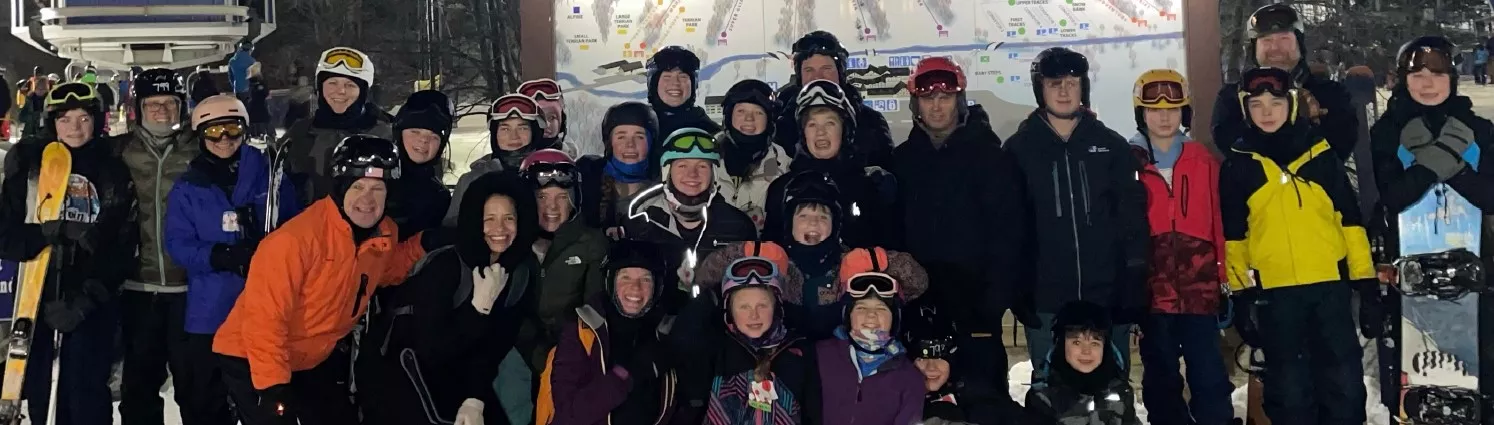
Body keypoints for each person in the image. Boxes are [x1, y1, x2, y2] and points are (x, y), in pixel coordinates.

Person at [213, 135, 427, 425]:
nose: (368, 199)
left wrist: (424, 244)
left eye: (378, 188)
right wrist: (273, 387)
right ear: (339, 189)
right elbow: (265, 321)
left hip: (310, 356)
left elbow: (384, 271)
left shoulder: (383, 232)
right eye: (358, 187)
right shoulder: (295, 241)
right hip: (253, 355)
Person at [1221, 67, 1373, 425]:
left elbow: (1350, 223)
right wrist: (1242, 295)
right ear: (1245, 110)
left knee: (1344, 388)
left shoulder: (1320, 155)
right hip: (1276, 296)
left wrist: (1365, 284)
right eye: (1256, 105)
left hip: (1328, 290)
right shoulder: (1238, 165)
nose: (1267, 111)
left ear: (1290, 104)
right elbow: (1235, 238)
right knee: (1289, 392)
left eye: (1275, 102)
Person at [892, 56, 1028, 420]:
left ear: (960, 100)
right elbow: (894, 237)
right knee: (923, 402)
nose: (937, 106)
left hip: (976, 308)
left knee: (984, 400)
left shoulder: (990, 157)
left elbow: (1009, 234)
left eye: (946, 97)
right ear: (916, 104)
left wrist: (994, 301)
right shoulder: (902, 161)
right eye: (928, 98)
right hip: (919, 307)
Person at [1004, 47, 1149, 384]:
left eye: (1072, 82)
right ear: (1040, 89)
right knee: (1051, 390)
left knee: (1110, 390)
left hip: (1107, 296)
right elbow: (1010, 226)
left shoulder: (1111, 146)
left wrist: (1133, 280)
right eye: (1054, 83)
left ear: (1084, 87)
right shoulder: (1019, 149)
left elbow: (1131, 219)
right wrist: (1018, 287)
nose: (1064, 91)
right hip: (1046, 298)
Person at [0, 81, 136, 424]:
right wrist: (46, 232)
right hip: (37, 299)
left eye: (84, 118)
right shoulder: (30, 167)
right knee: (44, 393)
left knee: (86, 392)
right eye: (65, 119)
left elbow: (124, 245)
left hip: (91, 300)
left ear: (98, 120)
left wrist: (88, 298)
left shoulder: (112, 168)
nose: (75, 128)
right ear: (51, 122)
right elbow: (5, 236)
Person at [357, 171, 539, 425]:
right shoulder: (447, 266)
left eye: (509, 218)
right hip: (403, 377)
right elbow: (431, 349)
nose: (499, 229)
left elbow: (494, 345)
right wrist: (478, 308)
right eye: (489, 218)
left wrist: (475, 397)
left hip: (459, 375)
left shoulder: (519, 273)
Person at [163, 94, 301, 425]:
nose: (224, 139)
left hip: (263, 307)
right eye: (214, 132)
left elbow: (297, 227)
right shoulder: (188, 186)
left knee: (263, 402)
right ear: (200, 135)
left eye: (232, 129)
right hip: (212, 308)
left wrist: (269, 249)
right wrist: (220, 255)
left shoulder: (268, 173)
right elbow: (177, 243)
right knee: (207, 402)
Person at [1125, 69, 1234, 425]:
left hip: (1199, 290)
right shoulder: (1128, 164)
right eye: (1153, 109)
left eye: (1172, 109)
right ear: (1141, 114)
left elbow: (1218, 222)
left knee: (1210, 376)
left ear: (1184, 113)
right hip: (1153, 294)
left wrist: (1223, 278)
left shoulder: (1203, 161)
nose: (1163, 116)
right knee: (1160, 378)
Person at [113, 67, 213, 425]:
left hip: (190, 287)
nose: (162, 111)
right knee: (139, 387)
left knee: (198, 387)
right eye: (152, 104)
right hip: (138, 288)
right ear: (138, 108)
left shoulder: (202, 149)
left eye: (169, 103)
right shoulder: (119, 151)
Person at [670, 242, 821, 424]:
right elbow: (683, 336)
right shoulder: (716, 348)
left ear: (778, 308)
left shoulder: (800, 352)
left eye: (762, 305)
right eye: (743, 307)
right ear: (729, 311)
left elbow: (813, 414)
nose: (753, 315)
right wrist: (710, 295)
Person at [544, 239, 679, 425]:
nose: (636, 287)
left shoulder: (667, 330)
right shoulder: (583, 330)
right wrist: (629, 372)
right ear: (610, 281)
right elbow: (569, 414)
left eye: (645, 279)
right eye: (625, 277)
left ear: (657, 286)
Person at [1211, 4, 1356, 161]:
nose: (1275, 47)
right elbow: (1234, 152)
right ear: (1254, 50)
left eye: (1284, 39)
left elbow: (1338, 150)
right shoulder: (1232, 98)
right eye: (1266, 40)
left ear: (1299, 44)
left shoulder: (1331, 94)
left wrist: (1303, 124)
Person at [763, 79, 897, 249]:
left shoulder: (870, 188)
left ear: (845, 130)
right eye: (812, 125)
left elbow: (889, 252)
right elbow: (771, 253)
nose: (820, 132)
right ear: (803, 134)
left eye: (830, 123)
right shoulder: (781, 190)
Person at [622, 127, 756, 291]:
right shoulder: (640, 222)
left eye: (702, 166)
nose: (692, 174)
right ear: (667, 172)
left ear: (713, 174)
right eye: (682, 166)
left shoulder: (738, 227)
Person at [816, 247, 929, 424]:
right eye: (861, 308)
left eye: (881, 309)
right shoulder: (818, 357)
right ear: (848, 315)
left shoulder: (909, 377)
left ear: (895, 319)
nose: (871, 316)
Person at [279, 47, 394, 207]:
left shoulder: (385, 137)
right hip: (308, 228)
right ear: (320, 88)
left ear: (363, 92)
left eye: (350, 85)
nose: (340, 91)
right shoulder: (299, 135)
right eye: (332, 83)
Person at [773, 31, 893, 168]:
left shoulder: (870, 121)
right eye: (809, 70)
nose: (817, 77)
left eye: (826, 69)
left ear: (840, 73)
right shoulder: (780, 121)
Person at [1023, 301, 1140, 425]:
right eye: (1077, 343)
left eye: (1095, 344)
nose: (1086, 351)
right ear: (1061, 345)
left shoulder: (1121, 392)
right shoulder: (1043, 397)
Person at [445, 93, 552, 227]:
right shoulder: (471, 181)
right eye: (505, 129)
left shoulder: (550, 177)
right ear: (494, 135)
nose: (514, 137)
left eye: (522, 128)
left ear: (534, 133)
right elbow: (452, 229)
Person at [767, 172, 848, 340]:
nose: (813, 223)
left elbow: (916, 282)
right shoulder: (771, 263)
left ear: (835, 225)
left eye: (823, 217)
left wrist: (875, 259)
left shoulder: (851, 264)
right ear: (790, 223)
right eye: (803, 216)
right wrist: (747, 251)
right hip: (786, 358)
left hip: (838, 359)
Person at [714, 79, 791, 230]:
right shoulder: (704, 159)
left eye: (758, 112)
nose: (749, 119)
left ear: (769, 121)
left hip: (761, 252)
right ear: (729, 117)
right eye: (741, 111)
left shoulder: (785, 167)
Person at [577, 102, 658, 236]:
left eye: (639, 137)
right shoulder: (588, 185)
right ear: (609, 142)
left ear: (651, 142)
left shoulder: (663, 194)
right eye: (621, 137)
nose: (630, 145)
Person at [388, 90, 454, 240]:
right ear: (400, 134)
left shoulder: (440, 196)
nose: (423, 140)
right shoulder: (377, 180)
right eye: (415, 131)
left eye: (433, 136)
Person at [645, 46, 720, 175]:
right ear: (654, 84)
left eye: (683, 77)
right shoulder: (641, 126)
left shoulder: (709, 131)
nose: (675, 83)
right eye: (667, 77)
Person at [518, 78, 568, 149]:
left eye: (552, 117)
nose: (547, 125)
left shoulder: (571, 158)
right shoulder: (509, 158)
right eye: (539, 119)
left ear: (562, 122)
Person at [247, 63, 275, 141]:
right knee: (264, 118)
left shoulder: (252, 81)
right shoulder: (260, 80)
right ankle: (268, 133)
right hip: (259, 103)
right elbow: (265, 92)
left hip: (256, 103)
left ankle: (257, 133)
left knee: (256, 118)